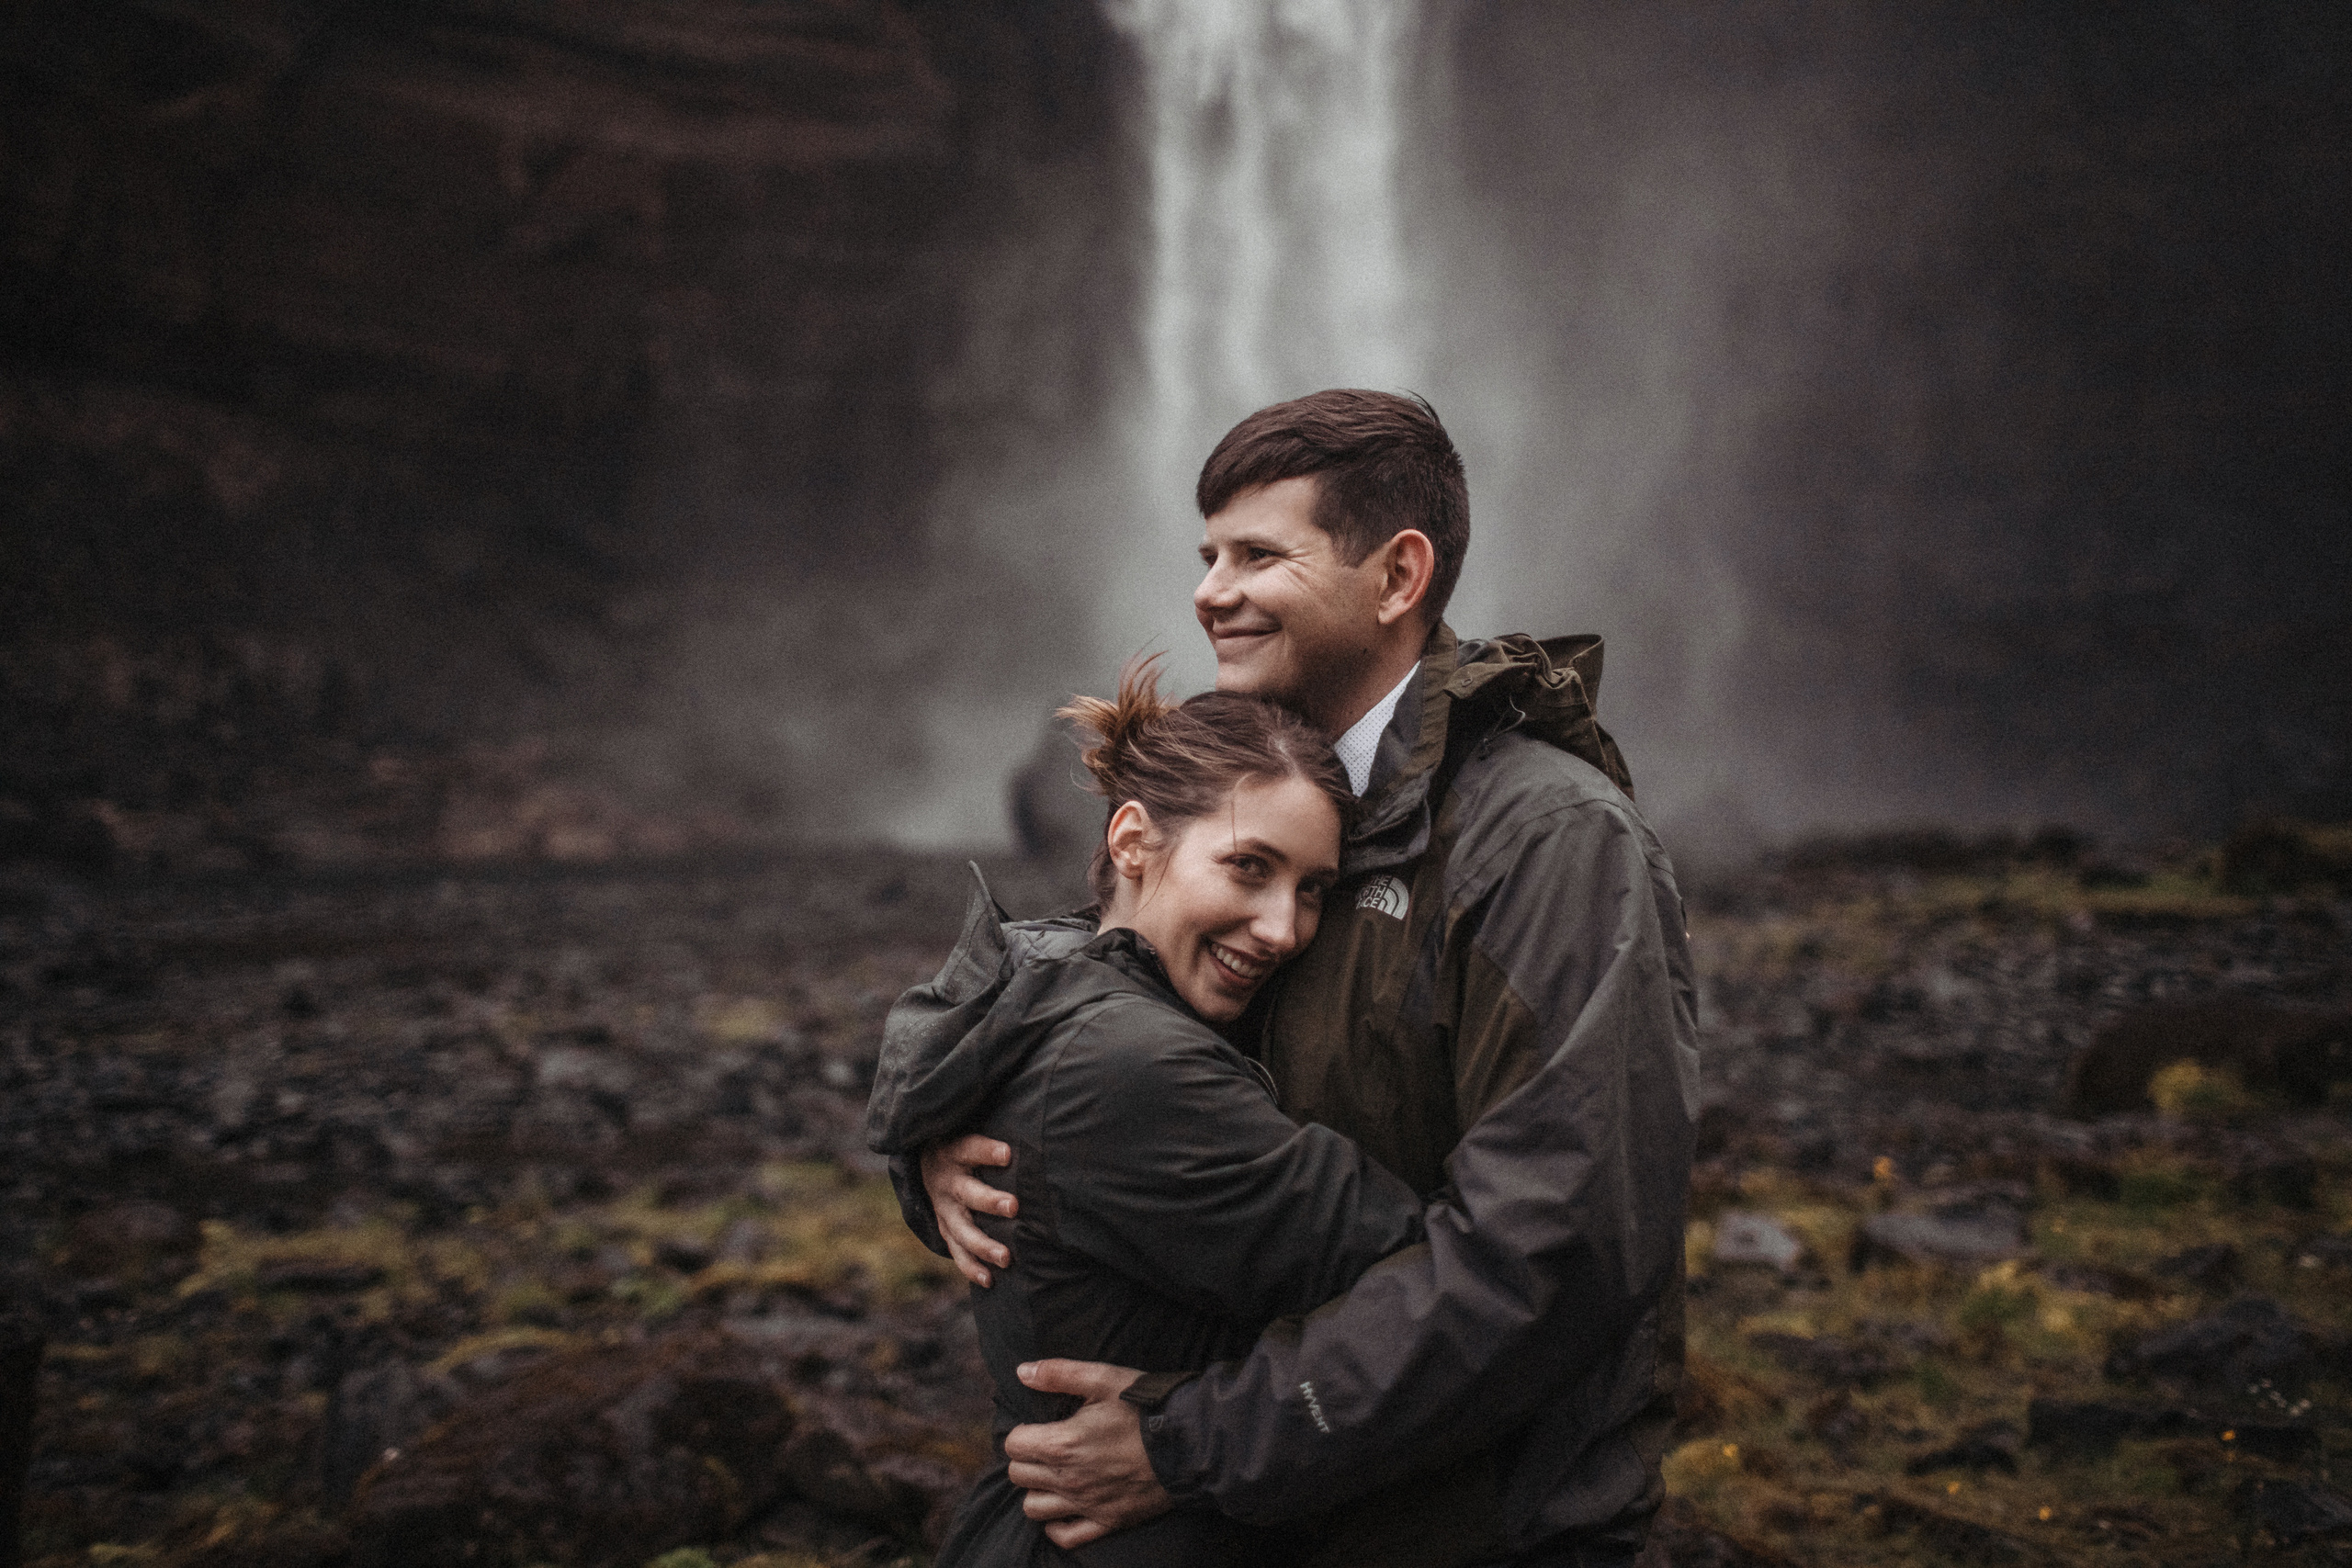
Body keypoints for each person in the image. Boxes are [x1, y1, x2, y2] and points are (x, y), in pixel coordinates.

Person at [899, 390, 1702, 1566]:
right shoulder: (1286, 801)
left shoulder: (1547, 842)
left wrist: (1195, 1442)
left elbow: (1556, 1252)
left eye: (1257, 556)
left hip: (1471, 1533)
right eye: (1207, 557)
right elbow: (1084, 998)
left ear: (1397, 576)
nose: (1209, 593)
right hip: (1282, 1522)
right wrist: (941, 1142)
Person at [866, 660, 1450, 1566]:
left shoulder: (1041, 997)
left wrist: (916, 1153)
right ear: (1133, 840)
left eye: (1312, 890)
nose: (1284, 929)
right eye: (1249, 867)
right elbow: (1428, 1283)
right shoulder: (1134, 1066)